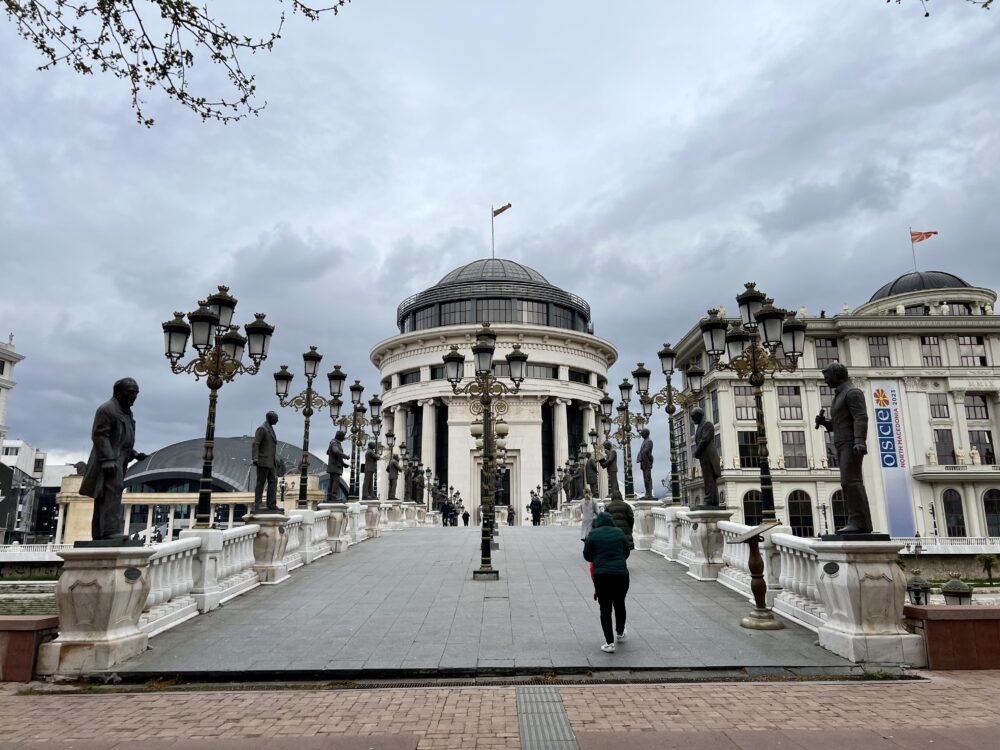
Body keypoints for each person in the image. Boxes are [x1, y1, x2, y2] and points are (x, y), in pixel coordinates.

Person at [80, 377, 148, 541]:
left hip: (119, 458)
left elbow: (121, 439)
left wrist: (134, 453)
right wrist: (108, 459)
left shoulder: (125, 412)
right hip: (109, 460)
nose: (134, 396)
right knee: (111, 492)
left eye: (136, 393)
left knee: (109, 493)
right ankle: (109, 531)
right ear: (118, 392)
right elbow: (100, 435)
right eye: (130, 393)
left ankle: (100, 532)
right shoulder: (107, 409)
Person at [814, 362, 873, 534]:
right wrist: (826, 423)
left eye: (827, 378)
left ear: (837, 375)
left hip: (851, 444)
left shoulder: (852, 393)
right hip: (841, 443)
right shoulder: (840, 395)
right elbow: (841, 423)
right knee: (847, 483)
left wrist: (860, 441)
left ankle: (860, 522)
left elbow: (861, 418)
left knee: (851, 482)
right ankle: (857, 521)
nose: (826, 381)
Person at [583, 511, 631, 653]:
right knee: (620, 603)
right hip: (621, 575)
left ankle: (609, 643)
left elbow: (586, 555)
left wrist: (598, 558)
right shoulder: (619, 532)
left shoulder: (593, 534)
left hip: (602, 576)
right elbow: (626, 552)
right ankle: (620, 632)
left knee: (605, 608)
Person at [691, 408, 721, 507]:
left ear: (699, 415)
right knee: (708, 478)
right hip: (704, 456)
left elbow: (704, 440)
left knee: (709, 478)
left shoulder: (707, 424)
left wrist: (696, 452)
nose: (693, 420)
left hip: (708, 456)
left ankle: (709, 500)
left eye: (693, 417)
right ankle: (714, 500)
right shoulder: (701, 425)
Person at [251, 411, 280, 512]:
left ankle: (271, 504)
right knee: (261, 483)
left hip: (271, 462)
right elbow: (256, 444)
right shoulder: (262, 428)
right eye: (276, 418)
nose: (277, 420)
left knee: (273, 481)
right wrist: (255, 458)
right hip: (263, 460)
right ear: (270, 418)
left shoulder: (270, 429)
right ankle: (257, 504)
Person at [326, 430, 349, 502]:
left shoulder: (334, 442)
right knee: (336, 480)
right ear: (340, 436)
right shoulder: (334, 442)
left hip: (335, 465)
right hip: (334, 465)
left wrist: (343, 464)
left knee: (332, 481)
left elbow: (328, 452)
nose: (344, 438)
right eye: (343, 437)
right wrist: (345, 456)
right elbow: (336, 451)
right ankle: (333, 496)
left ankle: (330, 496)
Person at [636, 428, 654, 498]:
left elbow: (646, 451)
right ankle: (647, 493)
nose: (641, 435)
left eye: (642, 433)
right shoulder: (645, 441)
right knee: (645, 478)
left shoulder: (649, 441)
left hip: (647, 462)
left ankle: (649, 494)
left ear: (646, 433)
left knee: (647, 478)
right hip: (644, 462)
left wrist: (647, 462)